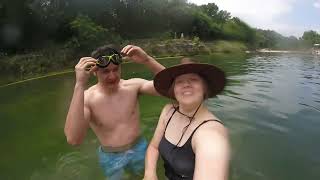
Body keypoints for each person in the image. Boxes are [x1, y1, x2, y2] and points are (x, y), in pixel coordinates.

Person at [64, 44, 165, 179]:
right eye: (105, 71)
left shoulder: (133, 86)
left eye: (115, 69)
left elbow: (173, 90)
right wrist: (79, 85)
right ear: (94, 71)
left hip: (140, 148)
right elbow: (74, 139)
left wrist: (147, 60)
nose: (112, 76)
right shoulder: (88, 99)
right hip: (111, 158)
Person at [144, 58, 230, 180]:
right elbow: (153, 147)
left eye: (194, 80)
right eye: (179, 81)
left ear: (205, 88)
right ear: (173, 90)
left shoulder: (211, 134)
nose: (186, 84)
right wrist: (150, 173)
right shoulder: (168, 111)